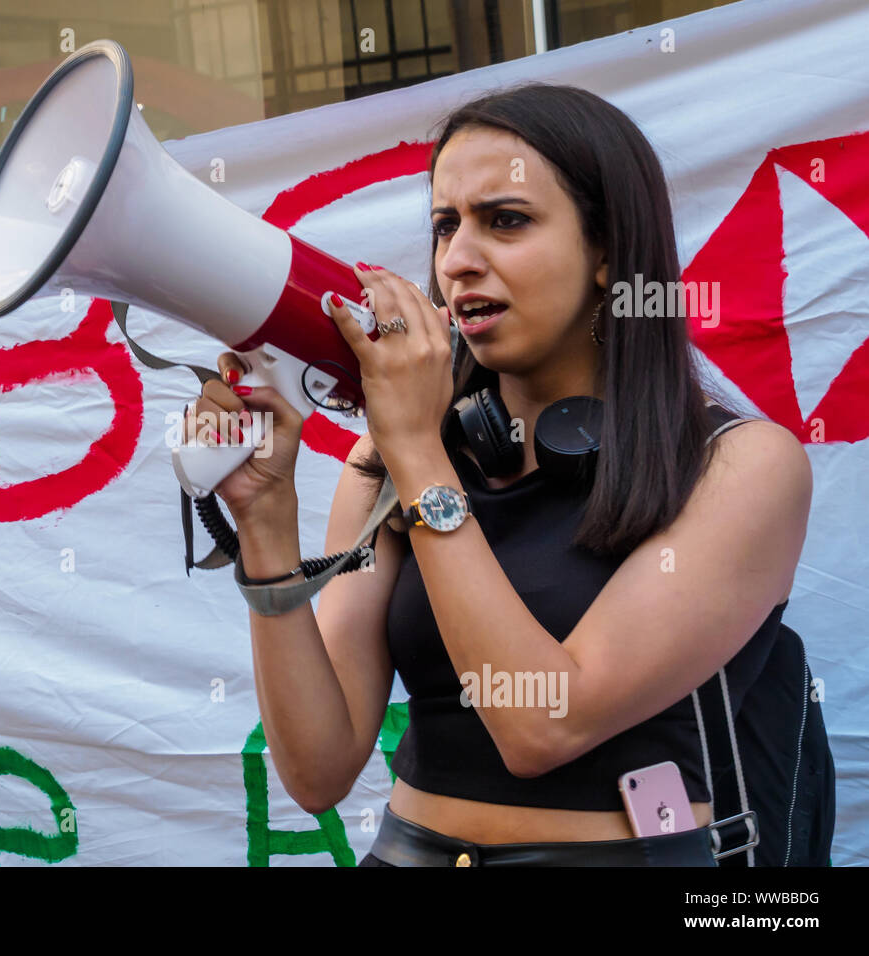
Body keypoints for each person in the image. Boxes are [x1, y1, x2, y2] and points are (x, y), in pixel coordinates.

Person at [183, 82, 812, 866]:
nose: (457, 261)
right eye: (446, 226)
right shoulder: (393, 462)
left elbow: (543, 725)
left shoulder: (742, 465)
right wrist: (266, 523)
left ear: (609, 250)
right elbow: (318, 769)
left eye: (505, 221)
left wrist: (417, 452)